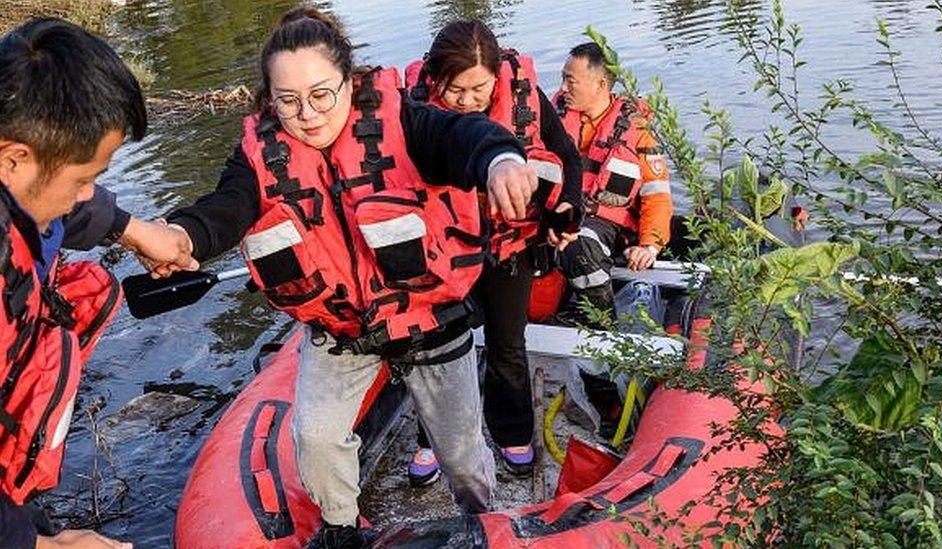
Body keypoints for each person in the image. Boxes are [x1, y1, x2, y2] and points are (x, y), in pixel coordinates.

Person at [150, 7, 541, 548]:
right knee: (314, 436)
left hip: (429, 317)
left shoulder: (405, 119)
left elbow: (463, 135)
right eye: (288, 101)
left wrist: (500, 160)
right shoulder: (258, 154)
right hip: (341, 331)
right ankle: (341, 526)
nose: (307, 114)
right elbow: (225, 208)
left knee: (462, 455)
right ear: (269, 98)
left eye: (321, 94)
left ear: (349, 82)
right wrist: (182, 237)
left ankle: (478, 519)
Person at [0, 18, 196, 549]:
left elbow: (65, 210)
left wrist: (135, 231)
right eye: (84, 179)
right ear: (13, 157)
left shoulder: (22, 183)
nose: (89, 194)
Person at [402, 19, 583, 484]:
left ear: (497, 77)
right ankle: (433, 439)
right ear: (433, 78)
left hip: (510, 245)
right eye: (453, 89)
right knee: (435, 346)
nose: (466, 101)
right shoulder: (414, 110)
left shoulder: (525, 94)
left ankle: (512, 433)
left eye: (478, 88)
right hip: (440, 249)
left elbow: (567, 156)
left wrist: (569, 210)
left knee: (507, 343)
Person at [554, 42, 673, 432]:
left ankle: (603, 342)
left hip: (606, 224)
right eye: (563, 79)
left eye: (571, 79)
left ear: (600, 83)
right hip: (559, 214)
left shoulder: (635, 130)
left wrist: (651, 242)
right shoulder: (554, 116)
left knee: (582, 247)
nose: (564, 86)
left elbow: (656, 194)